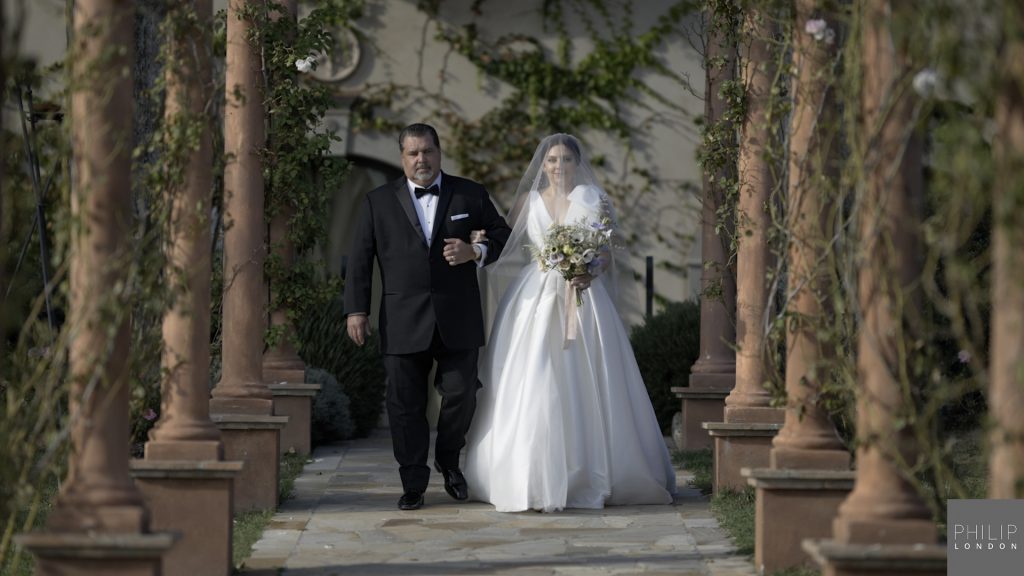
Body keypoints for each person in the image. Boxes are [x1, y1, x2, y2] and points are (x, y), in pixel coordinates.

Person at [464, 134, 676, 512]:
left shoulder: (593, 200)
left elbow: (607, 251)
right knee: (535, 374)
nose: (558, 167)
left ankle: (595, 468)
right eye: (551, 160)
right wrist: (478, 239)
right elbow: (503, 239)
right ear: (542, 166)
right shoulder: (529, 202)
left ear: (577, 163)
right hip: (536, 297)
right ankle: (529, 474)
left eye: (565, 159)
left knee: (591, 376)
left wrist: (589, 270)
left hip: (583, 296)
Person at [344, 123, 512, 511]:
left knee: (462, 394)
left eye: (428, 152)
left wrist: (476, 253)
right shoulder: (377, 201)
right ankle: (414, 481)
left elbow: (503, 235)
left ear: (439, 153)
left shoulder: (470, 193)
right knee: (405, 405)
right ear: (402, 157)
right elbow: (359, 260)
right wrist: (356, 309)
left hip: (459, 316)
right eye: (413, 153)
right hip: (402, 319)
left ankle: (449, 461)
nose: (421, 159)